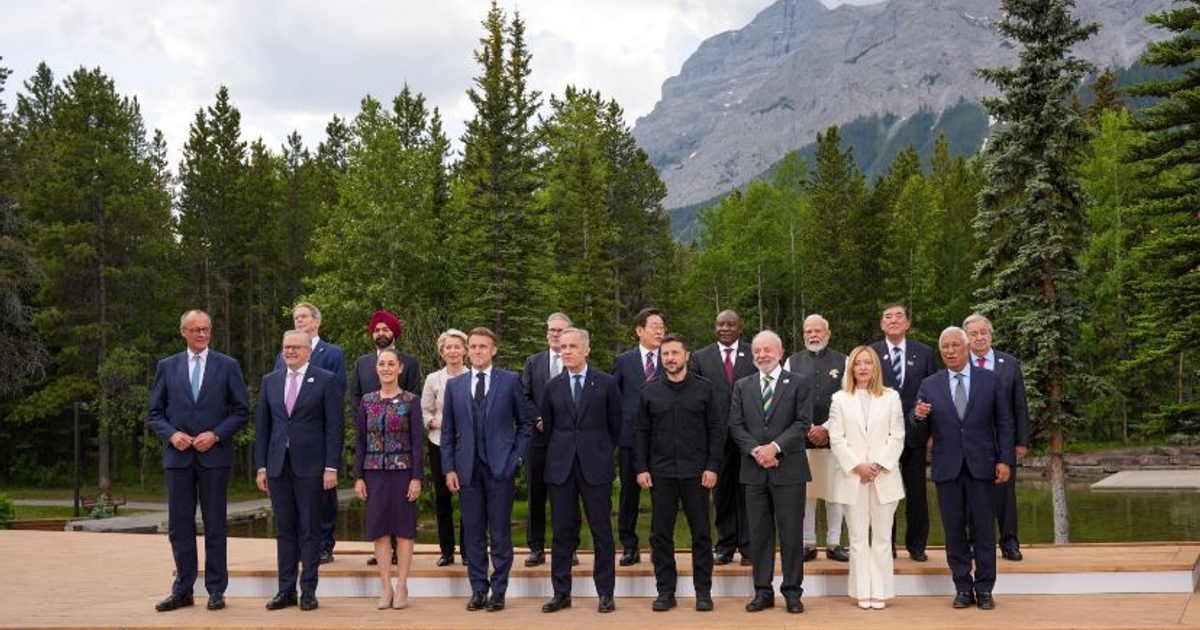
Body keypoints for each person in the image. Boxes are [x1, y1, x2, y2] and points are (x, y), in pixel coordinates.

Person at [148, 309, 249, 612]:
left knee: (215, 525)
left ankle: (216, 590)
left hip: (214, 458)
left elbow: (241, 411)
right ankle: (183, 590)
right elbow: (155, 413)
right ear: (183, 332)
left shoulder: (228, 365)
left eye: (206, 329)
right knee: (179, 527)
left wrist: (216, 435)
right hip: (177, 458)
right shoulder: (167, 366)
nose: (202, 334)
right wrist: (171, 434)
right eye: (196, 330)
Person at [913, 327, 1015, 610]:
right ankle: (962, 587)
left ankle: (985, 589)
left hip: (983, 466)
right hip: (947, 468)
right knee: (954, 531)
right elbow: (917, 429)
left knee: (984, 530)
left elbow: (1005, 424)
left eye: (955, 345)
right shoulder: (930, 384)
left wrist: (1005, 460)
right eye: (944, 347)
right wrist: (917, 417)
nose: (949, 351)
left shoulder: (989, 380)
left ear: (967, 347)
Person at [440, 327, 533, 613]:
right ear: (468, 351)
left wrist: (515, 458)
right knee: (473, 534)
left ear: (493, 350)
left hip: (500, 469)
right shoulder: (455, 385)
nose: (477, 351)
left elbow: (526, 424)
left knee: (501, 534)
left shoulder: (510, 381)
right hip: (466, 470)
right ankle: (478, 590)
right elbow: (447, 432)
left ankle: (499, 591)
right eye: (473, 346)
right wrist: (449, 468)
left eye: (483, 346)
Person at [255, 329, 344, 611]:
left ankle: (308, 590)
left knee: (309, 530)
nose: (290, 351)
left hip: (312, 467)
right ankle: (285, 591)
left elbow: (334, 427)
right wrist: (261, 467)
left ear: (308, 351)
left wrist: (331, 466)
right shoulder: (270, 381)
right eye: (286, 347)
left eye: (296, 347)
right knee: (285, 530)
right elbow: (263, 428)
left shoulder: (326, 380)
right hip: (278, 466)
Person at [635, 333, 724, 612]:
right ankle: (665, 592)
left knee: (701, 534)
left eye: (675, 353)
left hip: (697, 474)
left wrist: (712, 466)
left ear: (687, 356)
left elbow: (716, 430)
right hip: (661, 474)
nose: (670, 358)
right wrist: (641, 468)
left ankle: (703, 593)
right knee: (660, 535)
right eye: (665, 354)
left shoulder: (705, 389)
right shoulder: (649, 391)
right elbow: (641, 433)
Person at [727, 330, 813, 614]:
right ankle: (763, 592)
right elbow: (736, 425)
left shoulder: (799, 383)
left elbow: (803, 423)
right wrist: (757, 452)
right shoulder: (743, 385)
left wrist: (774, 448)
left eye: (767, 350)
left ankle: (792, 592)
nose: (762, 355)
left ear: (780, 352)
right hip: (754, 472)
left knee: (791, 535)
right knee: (759, 536)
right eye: (757, 351)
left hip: (789, 471)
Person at [540, 327, 622, 614]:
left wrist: (598, 450)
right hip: (560, 468)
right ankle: (561, 593)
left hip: (596, 467)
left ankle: (606, 593)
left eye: (572, 346)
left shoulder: (607, 383)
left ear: (586, 349)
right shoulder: (552, 386)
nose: (566, 351)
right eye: (563, 347)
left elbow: (616, 426)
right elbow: (549, 428)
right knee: (561, 532)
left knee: (602, 532)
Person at [825, 346, 906, 610]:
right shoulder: (840, 399)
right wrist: (857, 466)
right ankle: (862, 591)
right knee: (858, 539)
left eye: (867, 362)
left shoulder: (891, 397)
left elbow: (897, 436)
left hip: (884, 476)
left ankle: (880, 591)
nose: (862, 367)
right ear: (851, 368)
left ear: (875, 367)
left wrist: (879, 464)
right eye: (858, 363)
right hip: (853, 477)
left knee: (882, 538)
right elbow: (837, 438)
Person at [273, 302, 347, 565]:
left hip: (318, 436)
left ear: (317, 321)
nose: (299, 320)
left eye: (303, 316)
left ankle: (324, 544)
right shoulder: (283, 354)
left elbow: (336, 393)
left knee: (323, 496)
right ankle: (297, 546)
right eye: (296, 317)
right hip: (288, 441)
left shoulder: (332, 353)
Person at [351, 310, 424, 566]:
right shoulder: (362, 363)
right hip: (372, 444)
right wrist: (366, 418)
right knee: (378, 511)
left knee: (402, 510)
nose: (380, 333)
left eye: (385, 329)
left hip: (401, 443)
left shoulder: (410, 362)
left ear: (394, 333)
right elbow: (355, 395)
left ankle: (398, 554)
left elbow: (414, 395)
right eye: (377, 330)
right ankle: (381, 551)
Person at [871, 302, 937, 562]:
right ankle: (886, 545)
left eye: (899, 316)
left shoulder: (925, 352)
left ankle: (917, 546)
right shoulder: (871, 353)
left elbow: (934, 392)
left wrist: (933, 432)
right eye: (888, 317)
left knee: (916, 493)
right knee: (884, 494)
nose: (894, 320)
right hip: (881, 436)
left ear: (908, 323)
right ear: (882, 324)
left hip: (916, 433)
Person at [689, 310, 756, 566]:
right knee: (722, 493)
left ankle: (749, 546)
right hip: (716, 437)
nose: (725, 328)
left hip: (749, 435)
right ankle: (725, 545)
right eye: (720, 324)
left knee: (749, 492)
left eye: (730, 324)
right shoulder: (700, 357)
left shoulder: (754, 353)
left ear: (740, 328)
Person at [964, 313, 1031, 561]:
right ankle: (974, 542)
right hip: (971, 442)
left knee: (1005, 496)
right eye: (973, 334)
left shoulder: (1009, 363)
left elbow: (1020, 405)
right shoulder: (960, 364)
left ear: (991, 335)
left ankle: (1009, 542)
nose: (979, 337)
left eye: (984, 332)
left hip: (1004, 441)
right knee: (973, 495)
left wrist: (1021, 441)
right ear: (966, 338)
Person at [784, 314, 850, 562]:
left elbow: (848, 399)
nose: (813, 335)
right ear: (803, 335)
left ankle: (834, 543)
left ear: (827, 333)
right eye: (808, 331)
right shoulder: (792, 362)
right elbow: (787, 399)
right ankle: (808, 543)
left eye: (818, 331)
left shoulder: (843, 361)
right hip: (803, 438)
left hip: (835, 438)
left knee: (835, 494)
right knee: (806, 494)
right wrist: (810, 428)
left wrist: (827, 428)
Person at [520, 312, 575, 567]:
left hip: (567, 439)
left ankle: (569, 548)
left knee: (566, 496)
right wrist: (539, 418)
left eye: (560, 330)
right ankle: (536, 547)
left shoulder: (575, 361)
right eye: (552, 330)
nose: (555, 334)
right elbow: (524, 396)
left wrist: (559, 421)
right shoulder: (534, 362)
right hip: (538, 438)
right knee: (536, 495)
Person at [611, 307, 665, 566]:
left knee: (662, 496)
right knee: (629, 495)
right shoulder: (623, 361)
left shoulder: (670, 358)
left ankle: (659, 545)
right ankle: (629, 546)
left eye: (662, 327)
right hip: (630, 439)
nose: (659, 331)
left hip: (663, 440)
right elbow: (613, 399)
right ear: (639, 330)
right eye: (654, 326)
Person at [420, 329, 468, 567]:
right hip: (439, 443)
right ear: (441, 351)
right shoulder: (433, 379)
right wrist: (433, 422)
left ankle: (468, 551)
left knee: (469, 497)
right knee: (442, 499)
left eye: (457, 346)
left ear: (465, 350)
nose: (453, 351)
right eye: (448, 347)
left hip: (467, 444)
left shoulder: (473, 377)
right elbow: (425, 410)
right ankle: (447, 551)